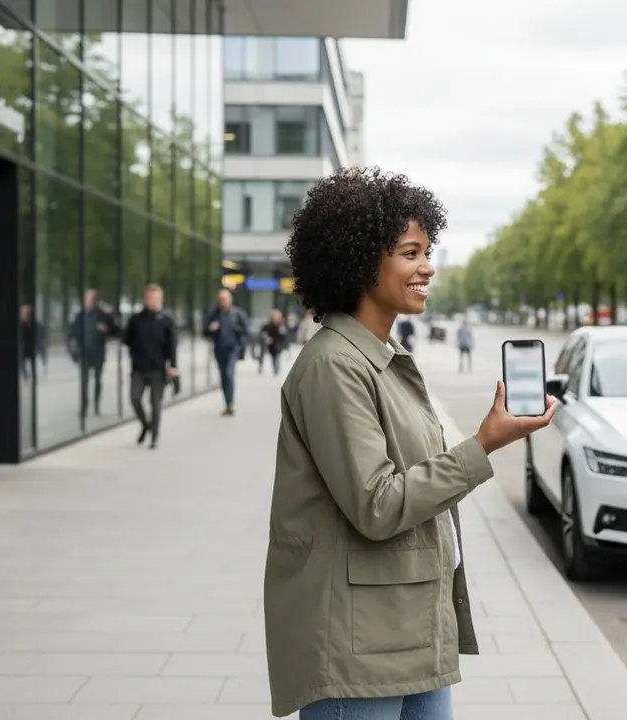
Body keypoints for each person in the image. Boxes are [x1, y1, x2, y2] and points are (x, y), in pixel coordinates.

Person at [264, 166, 556, 720]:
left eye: (428, 251)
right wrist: (483, 445)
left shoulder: (383, 359)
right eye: (410, 252)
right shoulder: (334, 365)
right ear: (360, 259)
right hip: (358, 647)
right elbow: (378, 505)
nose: (427, 267)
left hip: (409, 625)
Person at [123, 284, 178, 450]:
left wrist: (173, 366)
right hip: (139, 367)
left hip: (158, 368)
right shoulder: (136, 319)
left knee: (155, 403)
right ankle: (146, 424)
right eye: (149, 298)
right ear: (144, 299)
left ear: (160, 300)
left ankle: (155, 435)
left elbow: (172, 345)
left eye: (155, 298)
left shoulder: (166, 320)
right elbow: (127, 339)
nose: (151, 301)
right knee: (134, 398)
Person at [70, 289, 118, 416]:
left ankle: (96, 405)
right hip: (84, 353)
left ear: (95, 300)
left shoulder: (102, 315)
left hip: (98, 352)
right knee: (84, 381)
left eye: (92, 299)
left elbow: (115, 330)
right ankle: (84, 407)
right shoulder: (80, 315)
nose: (90, 301)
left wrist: (106, 329)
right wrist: (74, 349)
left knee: (97, 379)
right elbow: (73, 333)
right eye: (88, 298)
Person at [204, 289, 249, 416]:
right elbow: (205, 331)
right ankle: (228, 403)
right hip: (219, 349)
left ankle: (231, 404)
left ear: (230, 300)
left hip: (233, 348)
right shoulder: (214, 314)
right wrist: (211, 329)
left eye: (225, 299)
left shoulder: (237, 314)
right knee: (223, 376)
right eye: (220, 299)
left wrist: (238, 336)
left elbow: (246, 331)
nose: (222, 302)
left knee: (229, 374)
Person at [260, 308, 289, 375]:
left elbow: (284, 336)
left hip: (278, 344)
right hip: (271, 344)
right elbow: (264, 332)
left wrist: (285, 343)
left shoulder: (281, 325)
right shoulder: (268, 325)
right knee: (273, 357)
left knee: (277, 357)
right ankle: (275, 368)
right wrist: (266, 338)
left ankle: (276, 368)